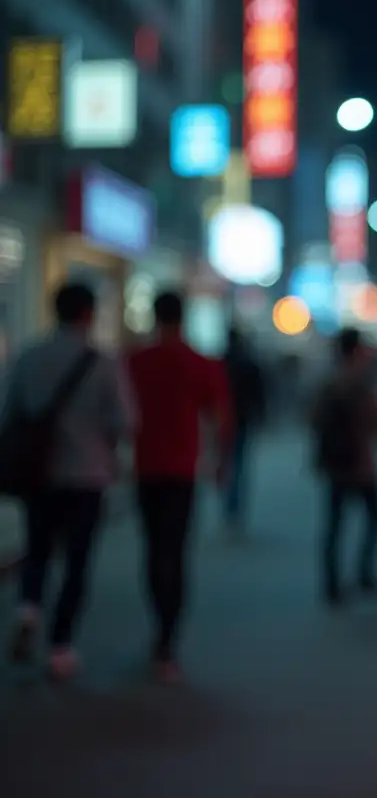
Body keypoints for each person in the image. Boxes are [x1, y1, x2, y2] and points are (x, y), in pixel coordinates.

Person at [4, 282, 135, 680]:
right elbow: (125, 421)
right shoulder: (103, 362)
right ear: (89, 314)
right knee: (77, 562)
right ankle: (60, 647)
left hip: (39, 474)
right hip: (86, 475)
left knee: (37, 547)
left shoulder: (29, 356)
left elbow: (9, 412)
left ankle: (28, 608)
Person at [126, 291, 231, 681]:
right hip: (183, 470)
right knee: (177, 549)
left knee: (154, 550)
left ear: (154, 316)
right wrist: (221, 462)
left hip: (146, 468)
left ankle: (160, 625)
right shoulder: (200, 363)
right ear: (183, 318)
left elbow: (120, 413)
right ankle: (168, 640)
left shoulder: (136, 361)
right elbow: (220, 417)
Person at [310, 327, 377, 606]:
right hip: (359, 461)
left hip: (335, 463)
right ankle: (364, 573)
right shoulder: (359, 379)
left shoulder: (328, 380)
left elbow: (313, 418)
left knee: (334, 523)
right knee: (376, 516)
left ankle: (331, 584)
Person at [222, 327, 266, 532]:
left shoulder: (222, 362)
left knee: (229, 463)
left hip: (225, 420)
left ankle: (230, 505)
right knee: (239, 465)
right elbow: (259, 393)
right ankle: (234, 507)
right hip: (242, 420)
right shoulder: (248, 363)